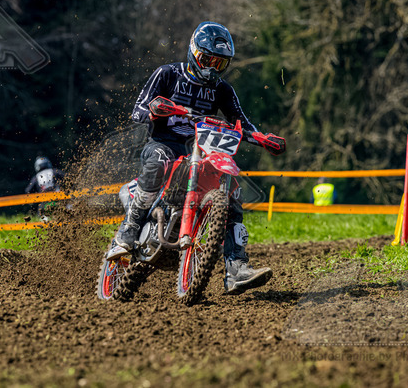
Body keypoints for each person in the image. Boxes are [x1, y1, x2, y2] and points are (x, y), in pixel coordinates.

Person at [108, 21, 286, 295]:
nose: (212, 68)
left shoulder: (223, 90)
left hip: (202, 149)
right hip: (164, 143)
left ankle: (236, 267)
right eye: (207, 60)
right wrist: (156, 109)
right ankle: (129, 229)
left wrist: (263, 138)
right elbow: (138, 110)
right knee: (158, 161)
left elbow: (241, 123)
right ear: (193, 51)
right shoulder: (168, 74)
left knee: (232, 191)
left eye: (219, 63)